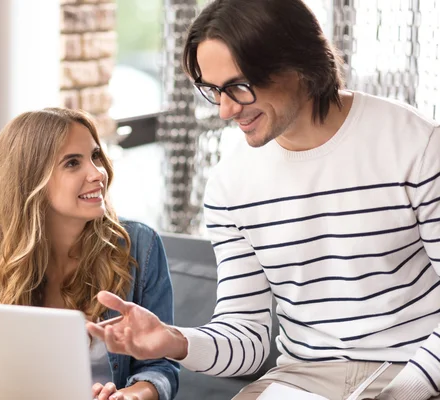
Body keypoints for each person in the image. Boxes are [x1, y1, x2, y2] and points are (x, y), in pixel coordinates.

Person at [86, 0, 440, 399]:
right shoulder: (230, 185)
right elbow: (247, 341)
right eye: (213, 91)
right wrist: (174, 341)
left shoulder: (417, 144)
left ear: (298, 62)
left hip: (415, 369)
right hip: (302, 379)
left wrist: (406, 391)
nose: (224, 110)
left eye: (238, 86)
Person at [0, 108, 179, 400]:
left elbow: (161, 367)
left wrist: (131, 396)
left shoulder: (141, 247)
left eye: (95, 156)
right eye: (72, 163)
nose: (97, 173)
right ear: (31, 180)